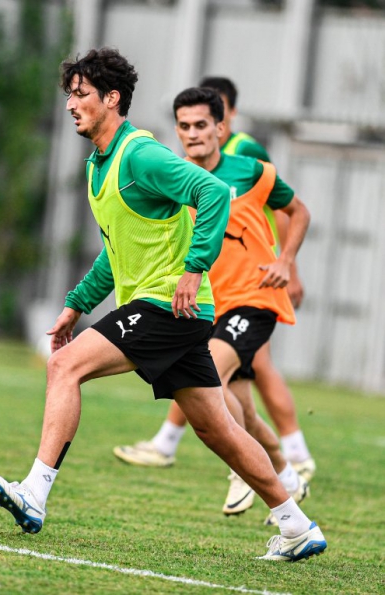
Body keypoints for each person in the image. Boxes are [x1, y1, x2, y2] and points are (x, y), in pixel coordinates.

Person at [0, 48, 326, 561]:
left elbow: (213, 192)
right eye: (69, 95)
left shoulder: (139, 154)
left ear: (112, 98)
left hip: (168, 304)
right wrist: (76, 305)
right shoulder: (99, 165)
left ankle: (34, 492)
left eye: (81, 94)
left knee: (65, 365)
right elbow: (114, 252)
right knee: (219, 429)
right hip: (175, 311)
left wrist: (194, 268)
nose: (70, 104)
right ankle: (297, 526)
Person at [114, 76, 315, 516]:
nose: (192, 134)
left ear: (221, 128)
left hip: (254, 300)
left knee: (213, 382)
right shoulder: (172, 179)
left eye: (201, 125)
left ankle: (241, 472)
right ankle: (286, 475)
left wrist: (286, 262)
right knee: (245, 410)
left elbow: (298, 210)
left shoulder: (251, 171)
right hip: (210, 306)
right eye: (184, 126)